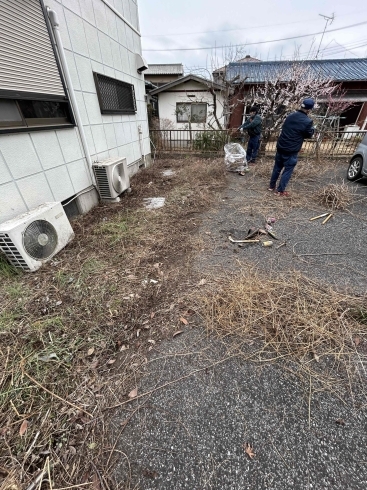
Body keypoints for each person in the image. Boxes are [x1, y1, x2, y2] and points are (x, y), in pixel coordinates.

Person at [269, 98, 315, 196]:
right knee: (288, 170)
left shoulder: (290, 116)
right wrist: (312, 130)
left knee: (277, 167)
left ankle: (271, 186)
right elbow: (309, 135)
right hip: (291, 149)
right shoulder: (308, 121)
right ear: (309, 109)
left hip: (281, 146)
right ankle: (280, 191)